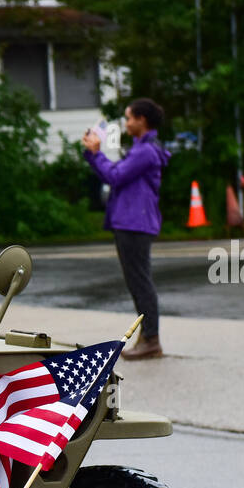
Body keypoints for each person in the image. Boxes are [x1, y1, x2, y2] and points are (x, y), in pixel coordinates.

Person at [83, 98, 170, 360]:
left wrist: (96, 154)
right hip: (132, 222)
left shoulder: (144, 151)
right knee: (138, 281)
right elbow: (117, 173)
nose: (127, 123)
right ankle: (147, 337)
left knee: (140, 281)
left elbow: (116, 176)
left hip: (135, 223)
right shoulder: (142, 148)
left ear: (142, 120)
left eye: (130, 118)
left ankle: (151, 340)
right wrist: (94, 155)